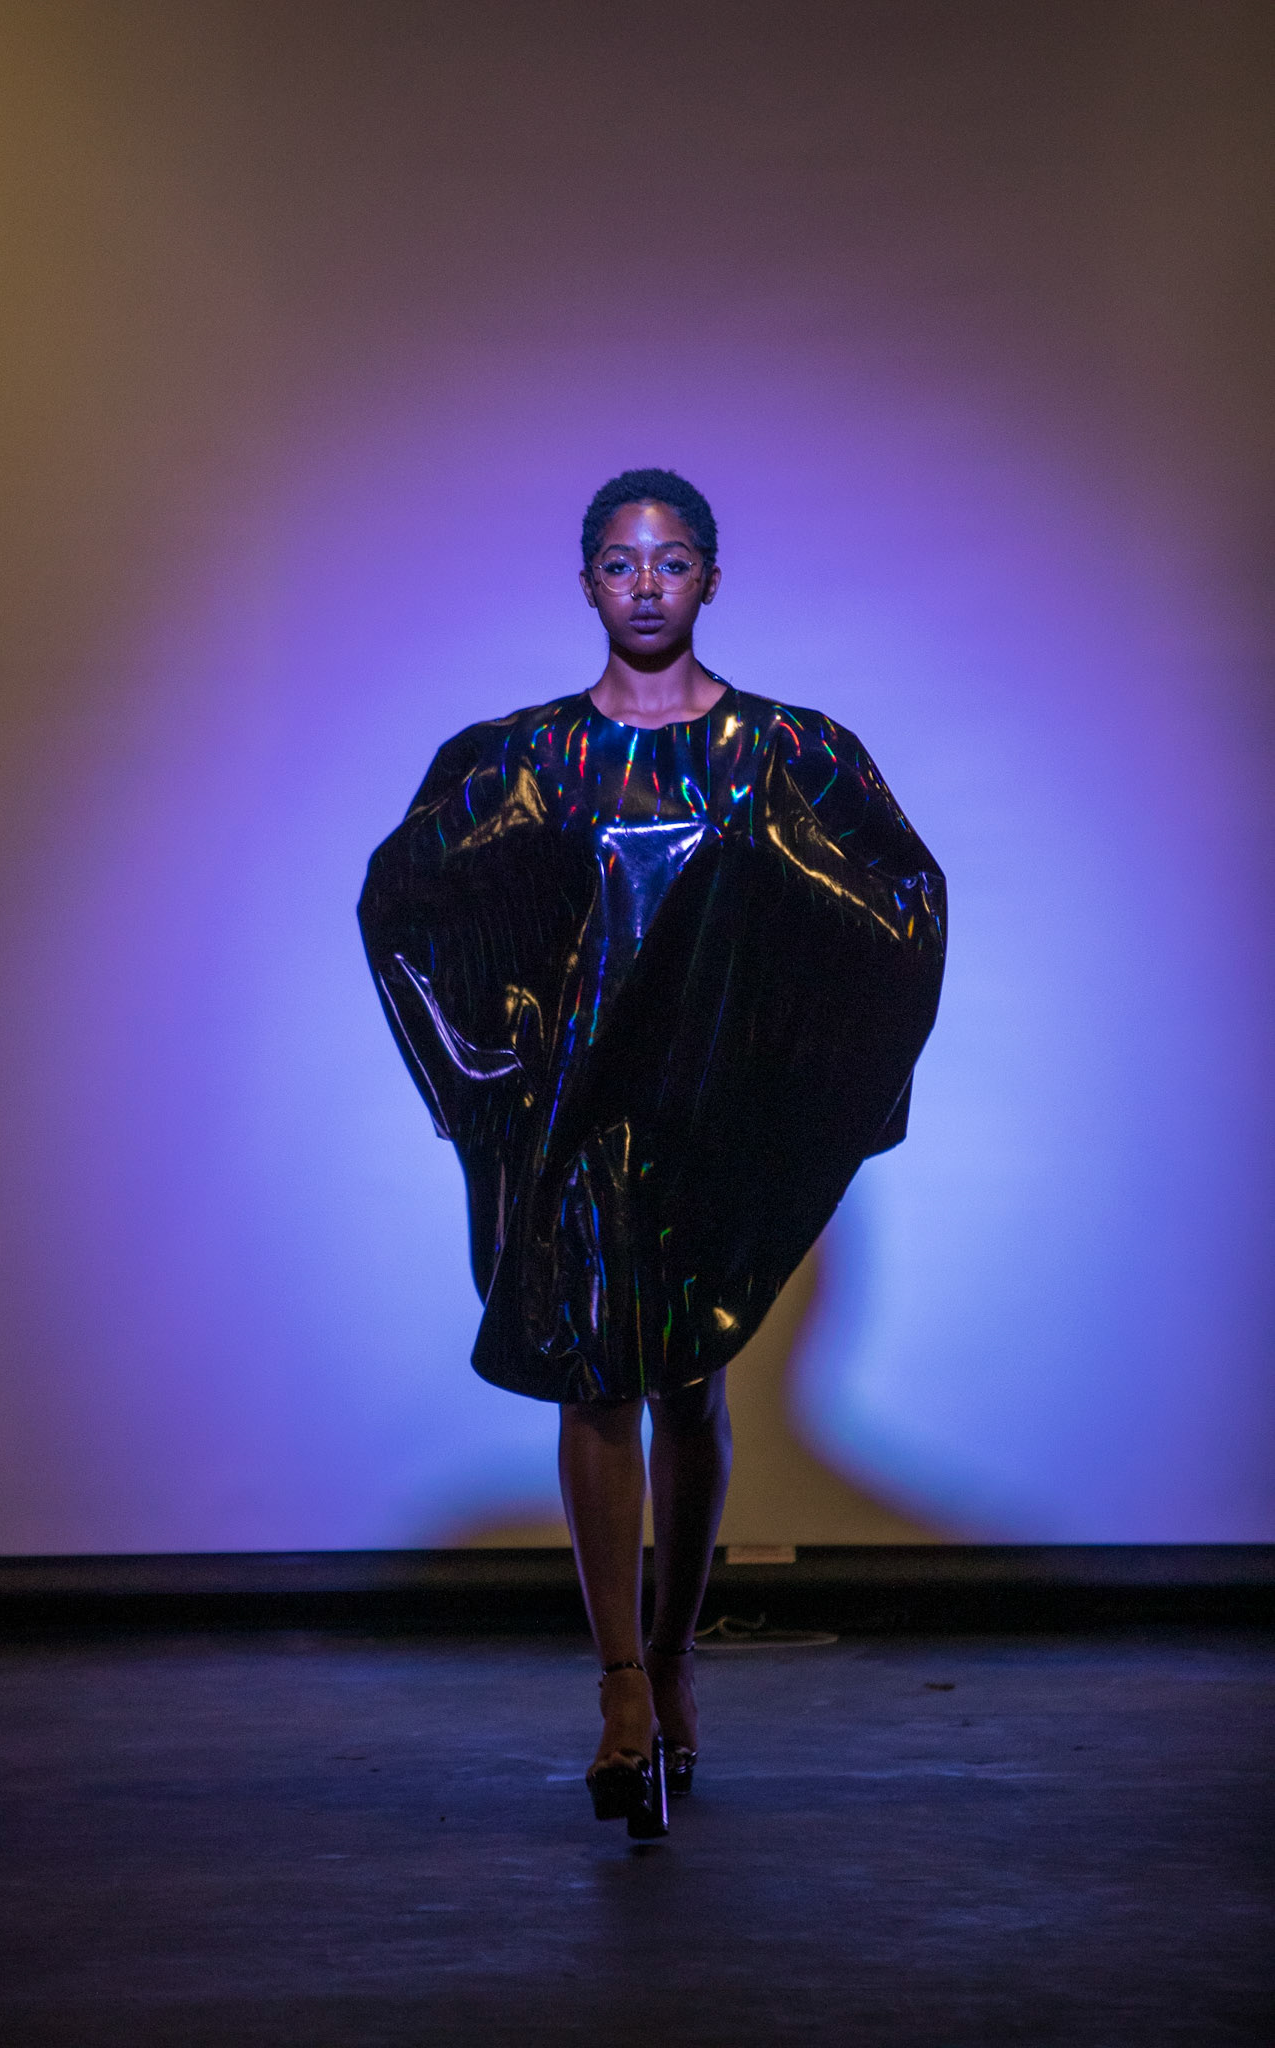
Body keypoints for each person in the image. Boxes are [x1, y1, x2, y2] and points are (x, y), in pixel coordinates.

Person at [360, 468, 945, 1838]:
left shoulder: (783, 751)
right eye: (620, 564)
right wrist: (499, 1071)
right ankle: (622, 1686)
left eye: (670, 561)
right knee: (593, 1380)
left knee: (685, 1389)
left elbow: (897, 904)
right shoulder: (523, 759)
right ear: (587, 584)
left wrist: (799, 1073)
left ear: (708, 579)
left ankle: (675, 1659)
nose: (645, 585)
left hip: (707, 1128)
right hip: (576, 1126)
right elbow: (409, 898)